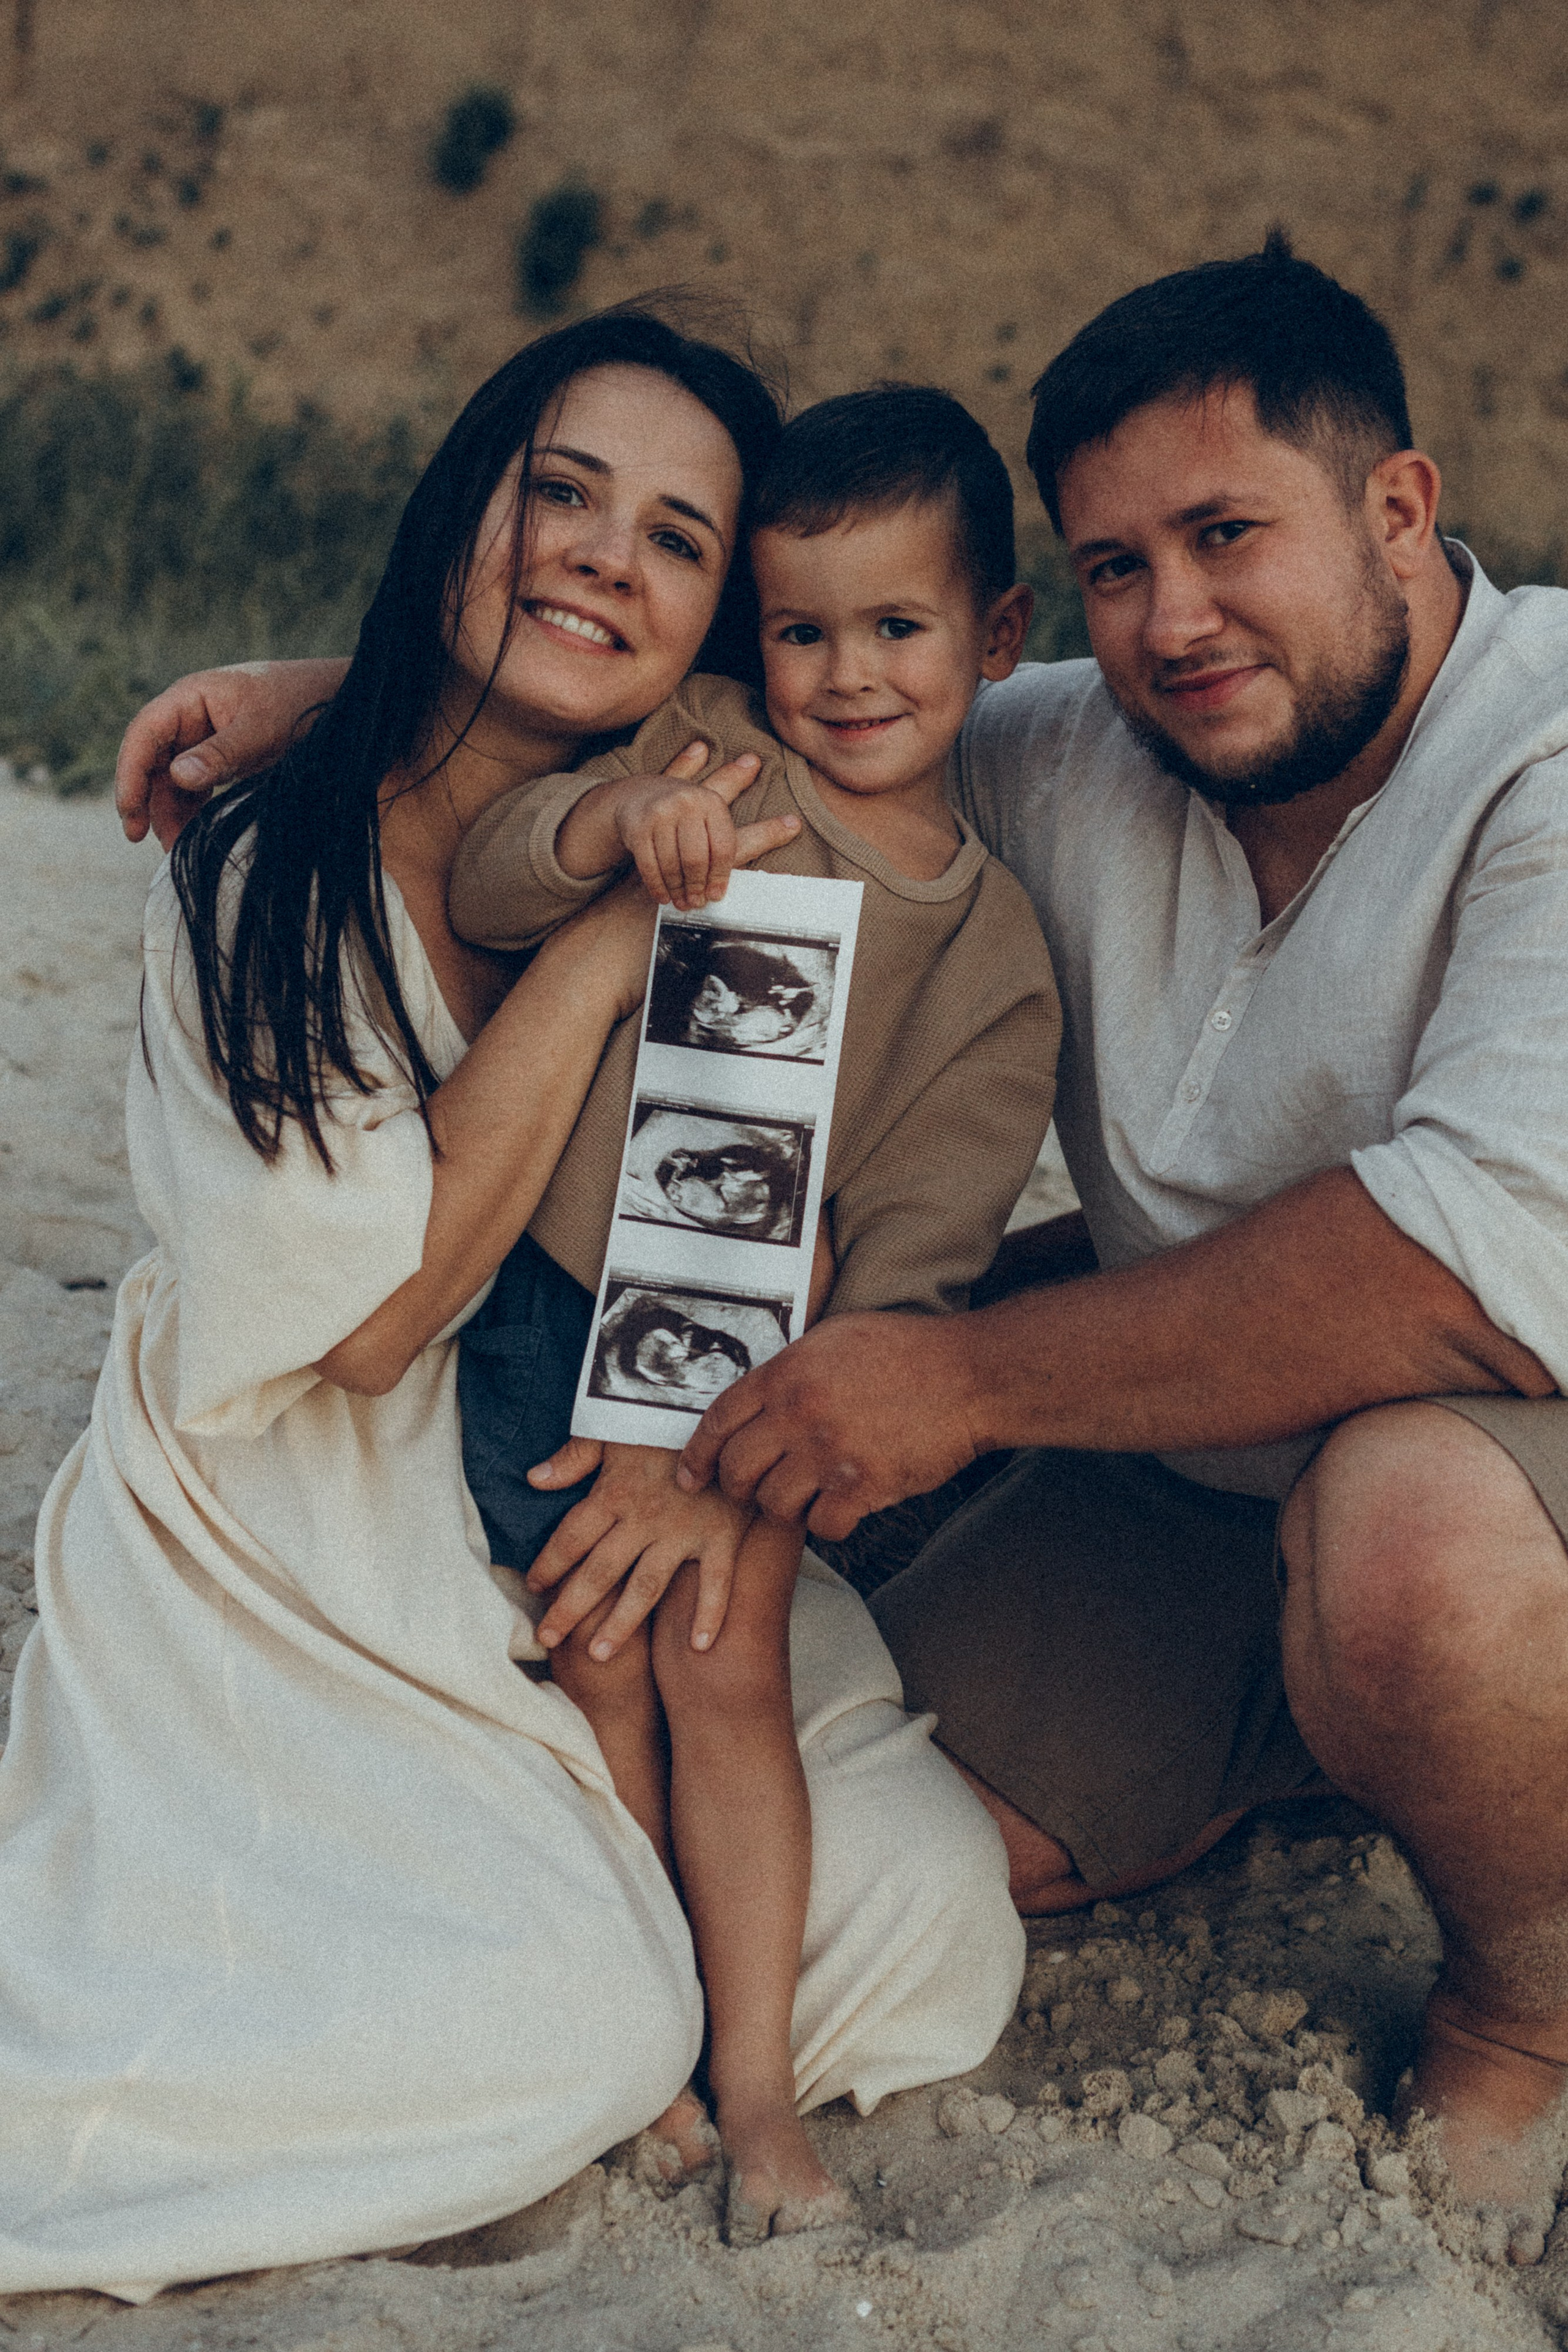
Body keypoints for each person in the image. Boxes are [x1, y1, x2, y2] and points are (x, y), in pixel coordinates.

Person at [1, 309, 1026, 2303]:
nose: (597, 559)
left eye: (671, 539)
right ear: (463, 503)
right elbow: (374, 1327)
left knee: (931, 1916)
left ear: (720, 617)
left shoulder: (752, 760)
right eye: (559, 494)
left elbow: (930, 670)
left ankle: (667, 2001)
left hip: (624, 1429)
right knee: (566, 2018)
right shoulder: (273, 870)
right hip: (307, 1518)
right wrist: (638, 914)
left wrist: (316, 684)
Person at [668, 236, 1568, 2264]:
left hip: (1516, 1446)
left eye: (1228, 533)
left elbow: (1462, 1260)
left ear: (1401, 511)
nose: (1174, 621)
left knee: (1413, 1546)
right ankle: (1321, 1751)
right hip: (1205, 1485)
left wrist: (963, 1373)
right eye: (1112, 567)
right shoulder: (1087, 741)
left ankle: (1527, 2008)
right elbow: (769, 708)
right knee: (873, 1878)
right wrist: (353, 707)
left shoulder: (1550, 754)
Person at [440, 382, 1060, 2240]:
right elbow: (483, 875)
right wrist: (611, 826)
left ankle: (764, 2094)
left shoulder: (992, 957)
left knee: (727, 1675)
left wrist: (752, 1444)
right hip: (543, 1298)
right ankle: (647, 2041)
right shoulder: (710, 751)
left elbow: (922, 1253)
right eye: (801, 630)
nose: (846, 675)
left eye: (898, 628)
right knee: (597, 1654)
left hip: (755, 1367)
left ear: (998, 639)